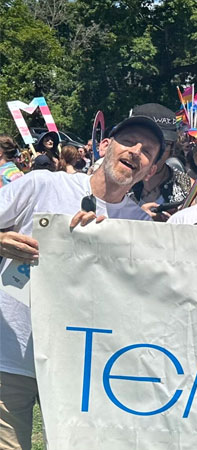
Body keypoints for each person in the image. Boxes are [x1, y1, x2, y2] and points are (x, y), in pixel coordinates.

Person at [0, 115, 163, 449]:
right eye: (129, 141)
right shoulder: (42, 184)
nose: (135, 152)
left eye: (147, 151)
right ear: (105, 146)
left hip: (80, 371)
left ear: (152, 169)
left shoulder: (140, 226)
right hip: (10, 356)